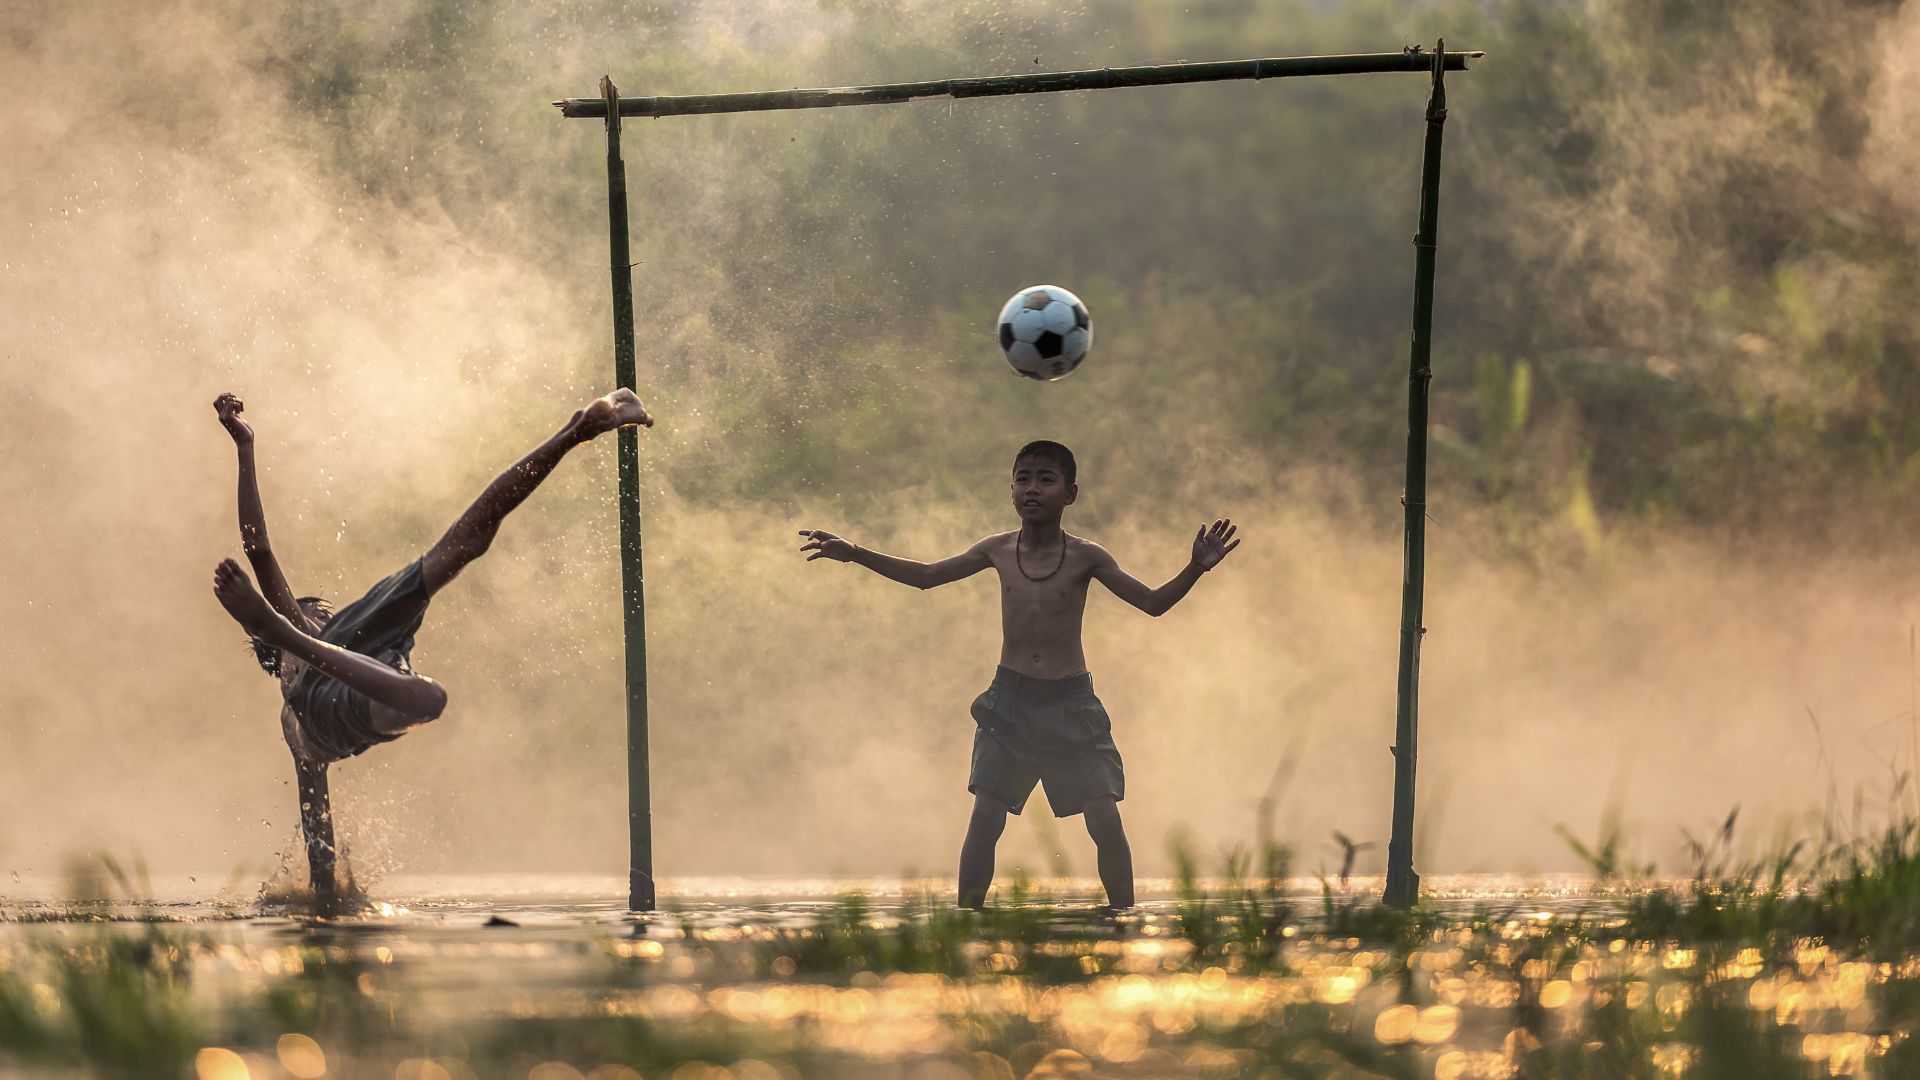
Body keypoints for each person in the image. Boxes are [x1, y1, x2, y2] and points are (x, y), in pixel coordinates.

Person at [211, 388, 653, 910]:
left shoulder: (322, 649)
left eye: (318, 616)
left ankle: (579, 429)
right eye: (313, 616)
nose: (322, 615)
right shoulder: (298, 695)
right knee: (441, 617)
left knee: (459, 563)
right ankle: (575, 431)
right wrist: (243, 447)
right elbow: (256, 547)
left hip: (357, 657)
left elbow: (259, 549)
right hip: (328, 691)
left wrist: (245, 447)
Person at [799, 440, 1241, 910]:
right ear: (1010, 490)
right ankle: (966, 921)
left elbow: (1152, 603)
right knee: (986, 817)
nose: (1032, 489)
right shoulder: (997, 550)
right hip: (1010, 704)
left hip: (1071, 704)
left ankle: (1123, 918)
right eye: (1023, 479)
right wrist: (856, 553)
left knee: (1104, 819)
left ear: (1070, 494)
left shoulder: (1087, 557)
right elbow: (927, 575)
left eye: (1045, 480)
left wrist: (1195, 568)